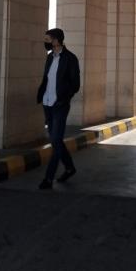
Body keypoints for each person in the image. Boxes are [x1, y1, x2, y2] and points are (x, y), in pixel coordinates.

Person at [36, 27, 80, 189]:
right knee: (57, 141)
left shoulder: (70, 59)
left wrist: (63, 99)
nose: (45, 42)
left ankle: (48, 178)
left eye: (48, 39)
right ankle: (69, 168)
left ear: (56, 40)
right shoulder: (49, 57)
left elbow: (75, 84)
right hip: (47, 103)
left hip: (59, 105)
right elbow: (47, 79)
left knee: (55, 140)